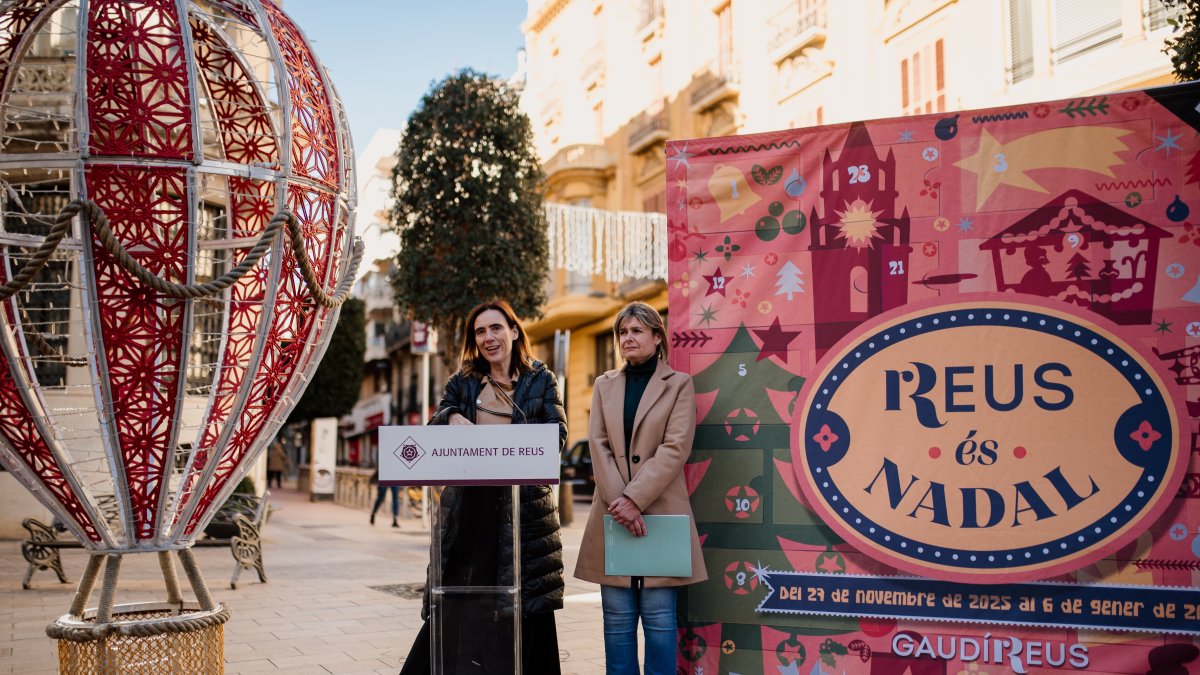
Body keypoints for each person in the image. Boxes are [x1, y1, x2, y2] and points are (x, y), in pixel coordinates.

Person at [400, 299, 567, 675]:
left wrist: (509, 445)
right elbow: (435, 429)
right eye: (480, 331)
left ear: (513, 331)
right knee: (457, 607)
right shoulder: (463, 383)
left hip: (525, 518)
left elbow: (557, 435)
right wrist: (453, 417)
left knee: (528, 611)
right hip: (470, 518)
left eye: (495, 328)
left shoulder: (540, 380)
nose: (489, 337)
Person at [574, 302, 706, 675]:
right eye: (622, 332)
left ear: (657, 337)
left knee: (661, 621)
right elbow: (597, 444)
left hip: (661, 515)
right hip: (613, 516)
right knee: (615, 622)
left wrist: (634, 499)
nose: (627, 338)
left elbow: (675, 447)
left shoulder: (678, 384)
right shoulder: (603, 385)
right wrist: (622, 504)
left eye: (636, 331)